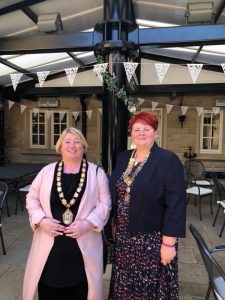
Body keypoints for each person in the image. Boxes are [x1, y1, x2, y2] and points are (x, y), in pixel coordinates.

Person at [23, 127, 111, 300]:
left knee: (82, 290)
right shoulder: (47, 171)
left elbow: (106, 203)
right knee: (49, 289)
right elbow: (31, 197)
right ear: (60, 146)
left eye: (77, 141)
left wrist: (88, 223)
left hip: (82, 245)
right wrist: (41, 220)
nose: (72, 146)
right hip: (50, 245)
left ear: (83, 146)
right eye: (67, 141)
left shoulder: (96, 173)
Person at [108, 111, 186, 300]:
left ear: (155, 133)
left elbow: (176, 204)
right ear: (131, 133)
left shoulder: (167, 160)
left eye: (147, 129)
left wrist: (169, 244)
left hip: (151, 240)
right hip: (125, 238)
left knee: (148, 289)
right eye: (137, 129)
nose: (141, 133)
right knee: (125, 285)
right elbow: (116, 191)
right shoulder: (124, 157)